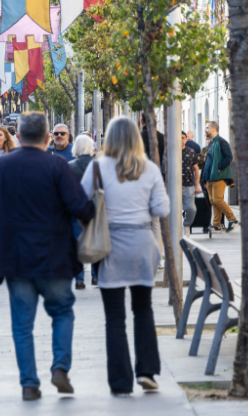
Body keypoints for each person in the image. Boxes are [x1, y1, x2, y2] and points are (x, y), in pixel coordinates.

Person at [0, 113, 95, 401]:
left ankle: (29, 383)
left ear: (17, 135)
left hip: (15, 259)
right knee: (62, 311)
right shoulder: (57, 166)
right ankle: (60, 368)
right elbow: (80, 206)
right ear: (46, 138)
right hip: (54, 256)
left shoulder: (2, 166)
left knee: (22, 323)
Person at [80, 117, 168, 396]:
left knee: (114, 317)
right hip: (142, 244)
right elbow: (162, 208)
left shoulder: (97, 167)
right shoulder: (150, 169)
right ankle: (147, 372)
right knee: (143, 309)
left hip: (110, 245)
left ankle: (120, 382)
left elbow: (81, 204)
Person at [68, 135, 98, 289]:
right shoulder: (99, 165)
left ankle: (79, 279)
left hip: (76, 210)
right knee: (95, 242)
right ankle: (95, 276)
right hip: (96, 209)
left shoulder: (70, 166)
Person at [201, 121, 238, 232]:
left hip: (219, 176)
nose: (205, 129)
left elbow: (229, 157)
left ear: (213, 129)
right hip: (209, 177)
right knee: (213, 200)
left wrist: (219, 167)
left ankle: (233, 219)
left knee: (217, 199)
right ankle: (216, 225)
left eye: (207, 127)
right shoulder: (211, 143)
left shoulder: (222, 142)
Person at [181, 131, 202, 232]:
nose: (181, 140)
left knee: (192, 209)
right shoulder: (169, 151)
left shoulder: (191, 152)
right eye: (179, 137)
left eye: (183, 138)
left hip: (188, 185)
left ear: (186, 139)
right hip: (173, 187)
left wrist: (197, 185)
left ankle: (186, 226)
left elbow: (196, 169)